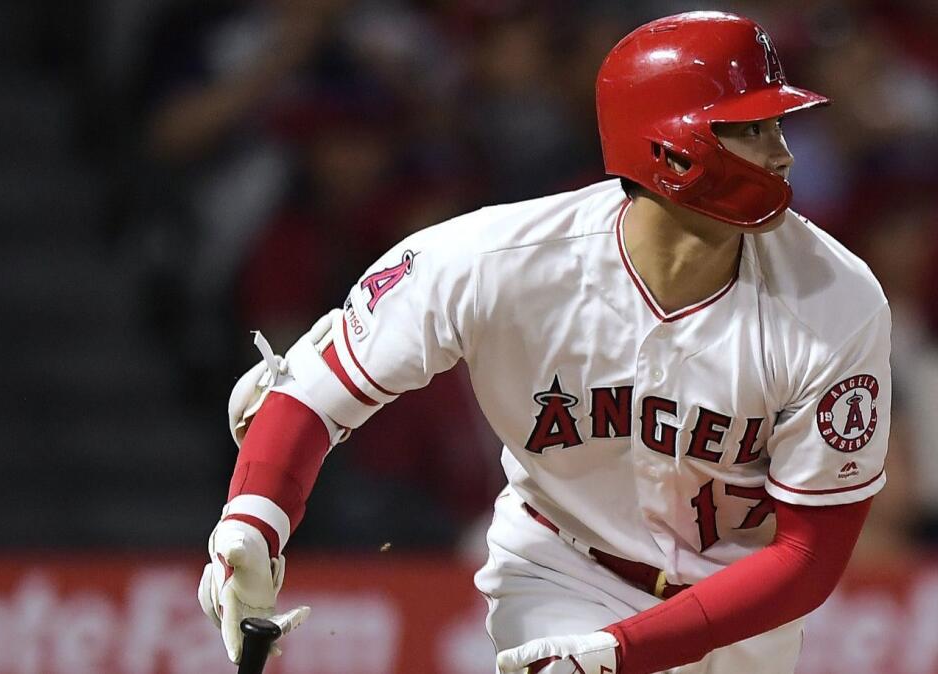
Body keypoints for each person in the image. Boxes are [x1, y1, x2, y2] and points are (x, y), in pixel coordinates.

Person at [198, 11, 891, 673]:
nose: (783, 153)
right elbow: (310, 394)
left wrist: (623, 651)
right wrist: (249, 528)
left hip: (740, 604)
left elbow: (807, 558)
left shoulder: (837, 301)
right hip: (562, 567)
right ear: (672, 148)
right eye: (752, 129)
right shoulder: (495, 260)